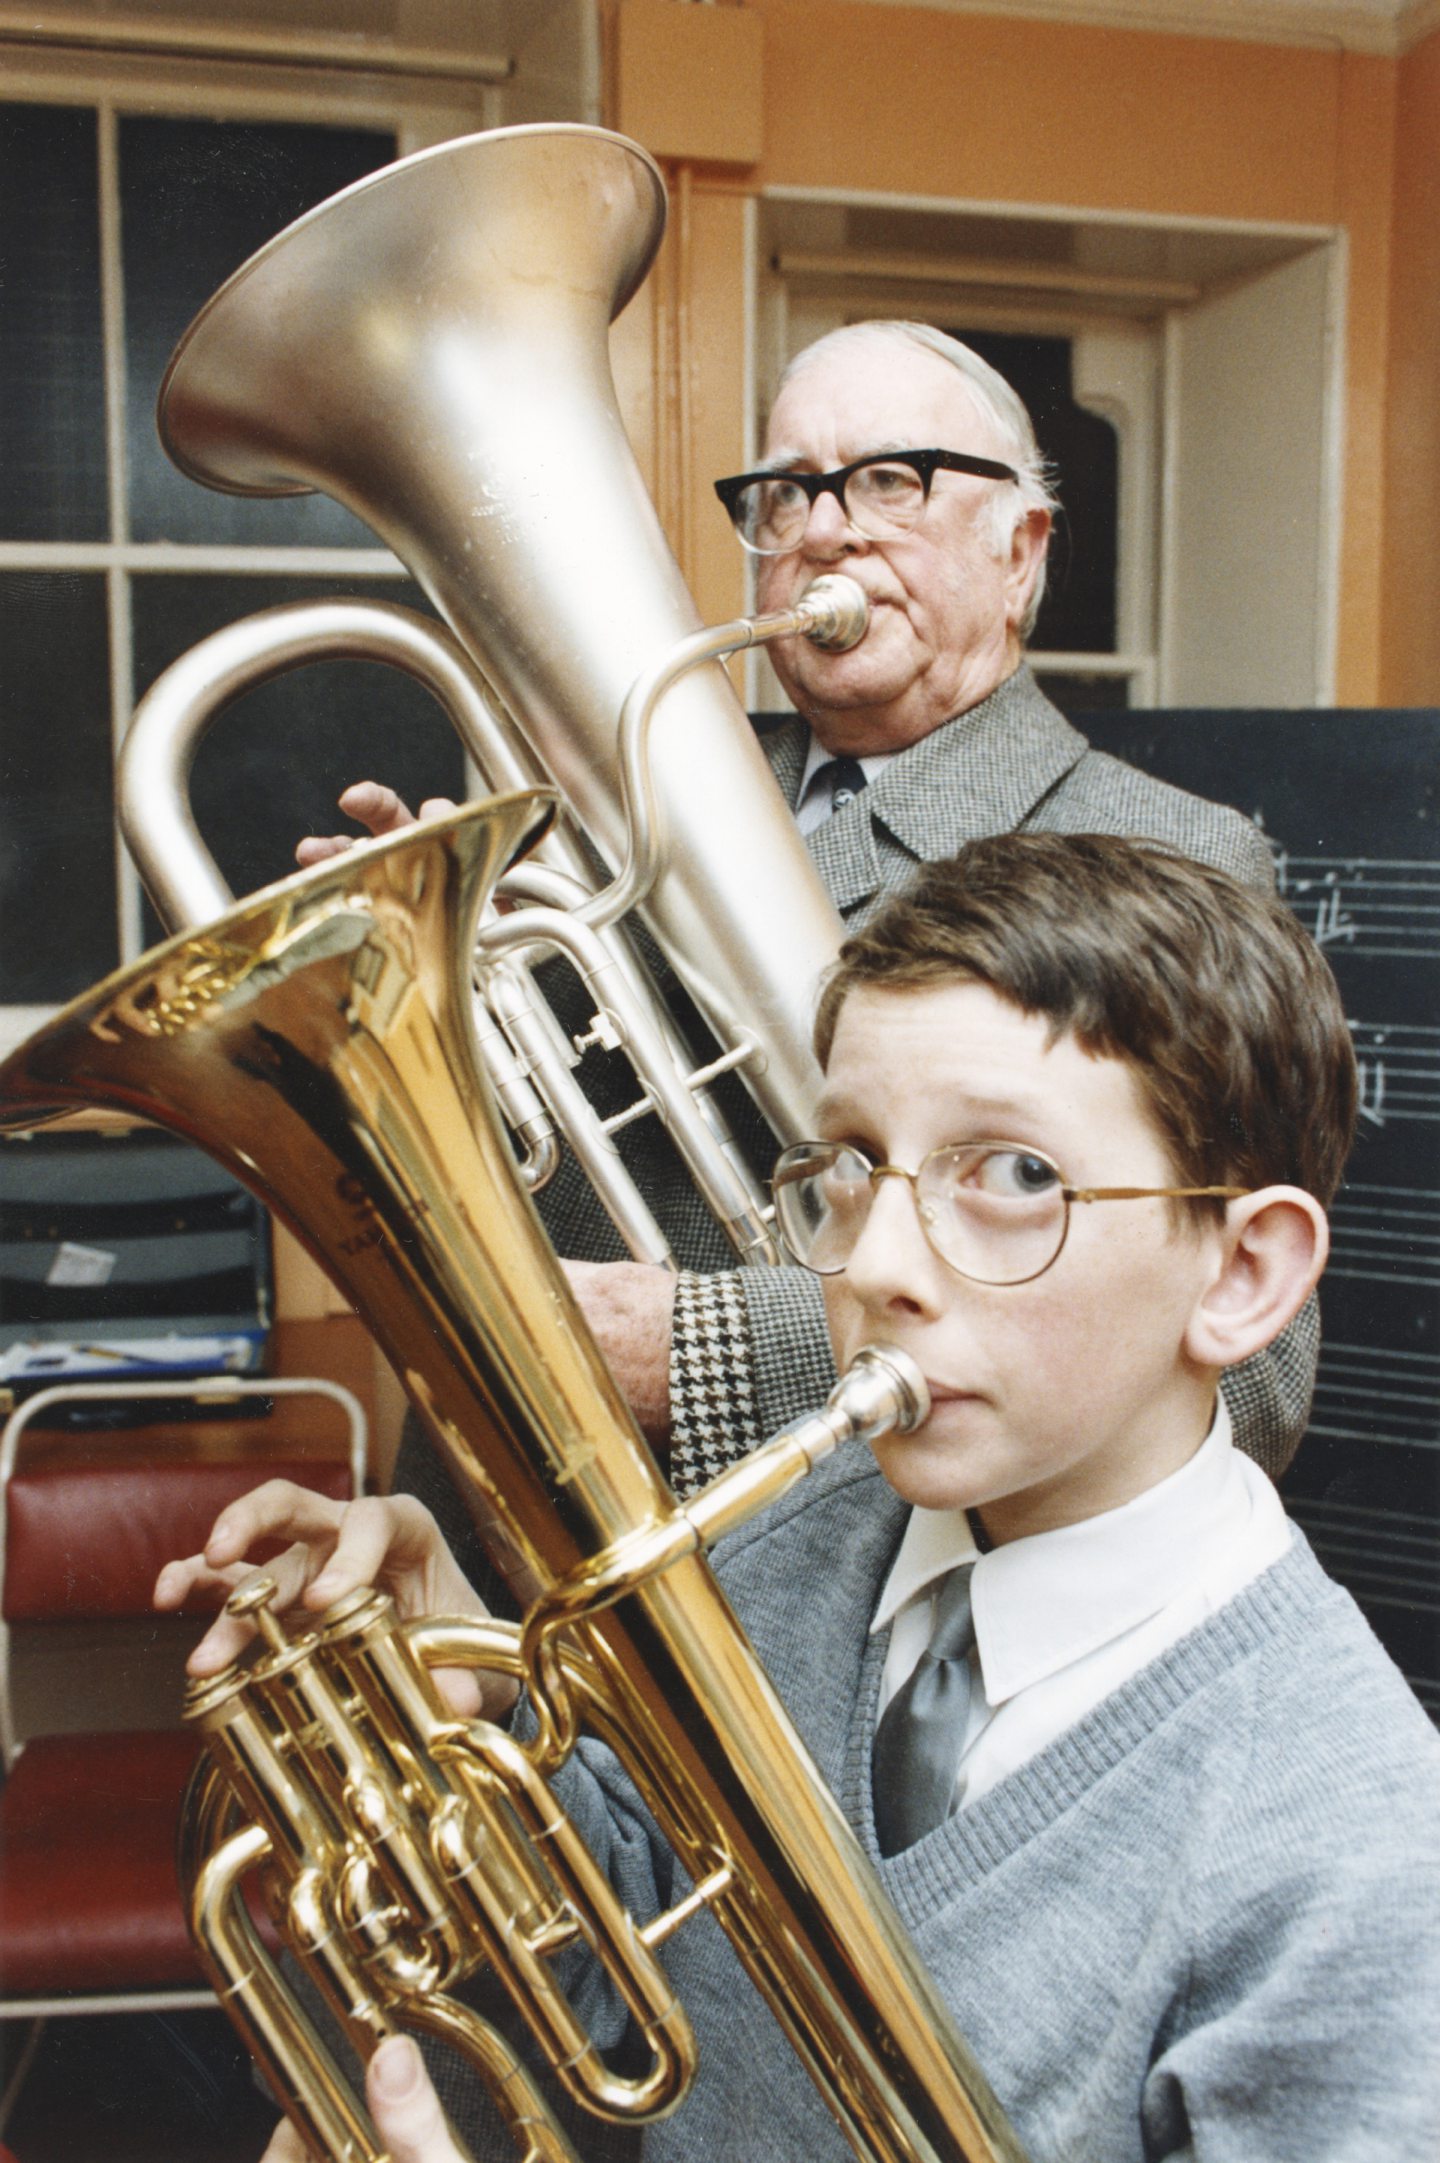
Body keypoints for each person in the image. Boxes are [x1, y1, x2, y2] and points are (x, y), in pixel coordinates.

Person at [160, 833, 1440, 2163]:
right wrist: (474, 1702)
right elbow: (650, 1990)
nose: (875, 1260)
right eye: (849, 1165)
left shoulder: (1353, 1848)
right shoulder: (792, 1528)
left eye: (1011, 1174)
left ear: (1242, 1275)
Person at [296, 321, 1313, 1528]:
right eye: (788, 493)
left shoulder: (1173, 856)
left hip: (863, 1594)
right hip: (511, 1534)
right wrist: (428, 981)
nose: (826, 528)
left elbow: (1256, 1379)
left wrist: (700, 1353)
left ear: (1020, 554)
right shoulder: (599, 806)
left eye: (892, 480)